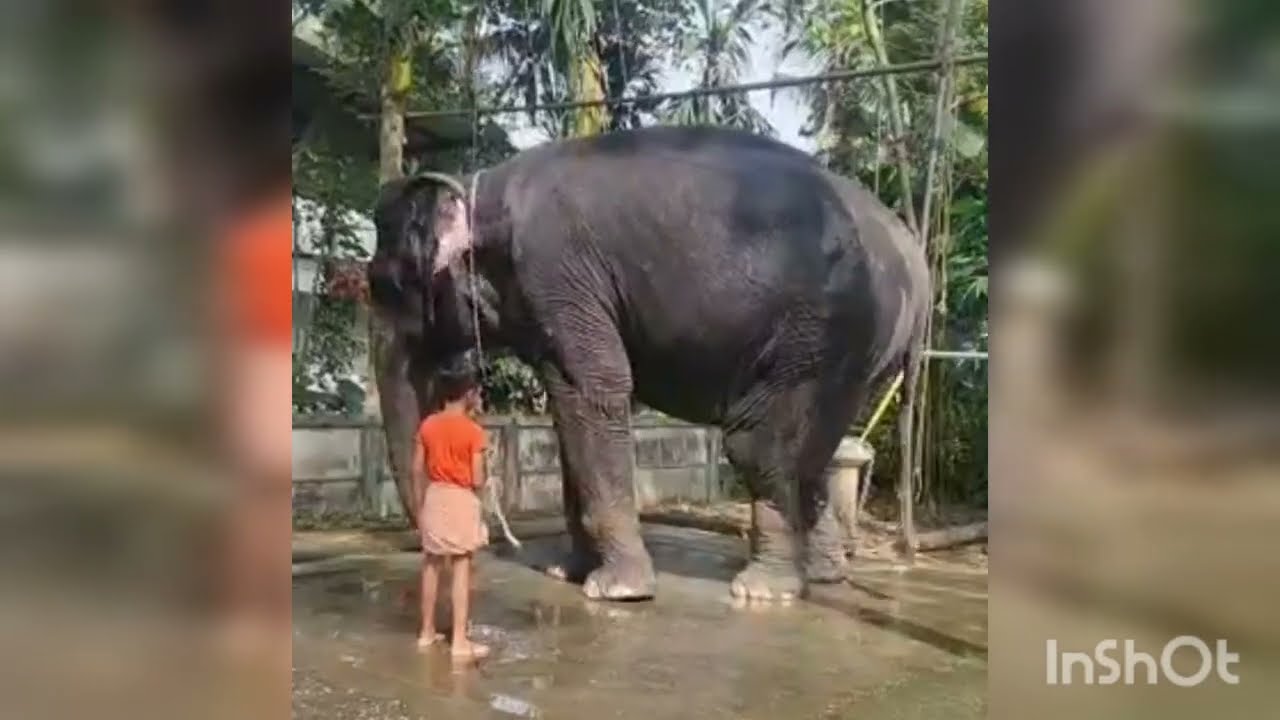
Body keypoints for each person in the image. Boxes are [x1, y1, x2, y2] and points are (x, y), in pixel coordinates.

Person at [412, 356, 491, 660]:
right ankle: (459, 642)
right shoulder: (473, 432)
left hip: (434, 496)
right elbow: (477, 478)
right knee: (461, 568)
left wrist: (420, 506)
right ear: (469, 393)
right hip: (460, 497)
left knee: (431, 565)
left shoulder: (428, 425)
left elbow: (415, 469)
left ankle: (427, 632)